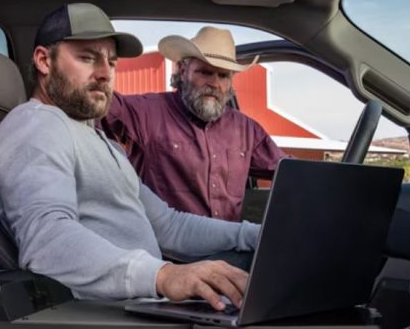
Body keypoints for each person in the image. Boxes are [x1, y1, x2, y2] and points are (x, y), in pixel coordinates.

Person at [0, 3, 260, 311]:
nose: (104, 74)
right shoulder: (35, 125)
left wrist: (253, 234)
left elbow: (169, 226)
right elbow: (46, 241)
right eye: (87, 58)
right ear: (44, 61)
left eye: (111, 62)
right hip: (109, 314)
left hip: (147, 303)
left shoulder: (99, 140)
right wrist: (163, 275)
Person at [99, 26, 288, 222]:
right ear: (182, 71)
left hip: (228, 248)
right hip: (165, 250)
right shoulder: (147, 112)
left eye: (223, 76)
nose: (214, 84)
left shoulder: (247, 130)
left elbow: (290, 171)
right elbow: (98, 104)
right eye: (205, 72)